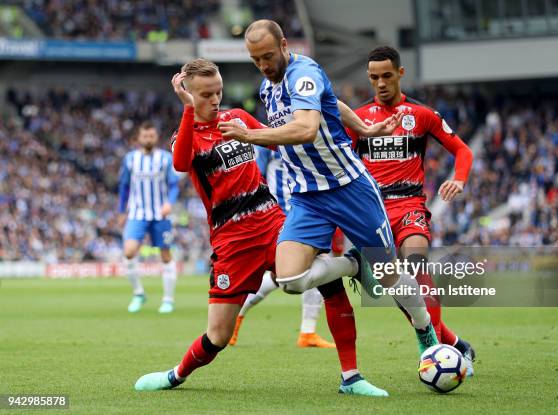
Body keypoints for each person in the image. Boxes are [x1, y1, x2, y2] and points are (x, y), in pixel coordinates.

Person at [134, 58, 389, 397]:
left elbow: (276, 140)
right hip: (232, 241)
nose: (215, 100)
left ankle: (352, 377)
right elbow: (180, 164)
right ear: (190, 95)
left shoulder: (237, 118)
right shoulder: (186, 135)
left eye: (218, 92)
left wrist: (322, 126)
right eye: (206, 95)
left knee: (329, 285)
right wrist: (187, 109)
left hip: (272, 222)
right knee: (218, 336)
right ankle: (176, 376)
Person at [218, 19, 439, 366]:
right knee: (289, 278)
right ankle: (353, 265)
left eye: (268, 55)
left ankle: (426, 332)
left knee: (388, 273)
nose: (263, 64)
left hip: (348, 187)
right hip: (308, 196)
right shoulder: (267, 87)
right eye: (255, 58)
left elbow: (306, 129)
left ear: (285, 45)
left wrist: (248, 136)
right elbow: (332, 101)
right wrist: (364, 127)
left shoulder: (303, 73)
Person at [346, 46, 476, 375]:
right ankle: (453, 344)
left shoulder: (422, 114)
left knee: (416, 263)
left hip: (409, 205)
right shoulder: (358, 119)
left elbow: (462, 151)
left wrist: (458, 180)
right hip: (372, 211)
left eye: (387, 76)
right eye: (374, 77)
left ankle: (436, 352)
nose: (381, 83)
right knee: (399, 288)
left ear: (400, 74)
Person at [229, 146, 338, 349]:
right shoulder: (268, 143)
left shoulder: (308, 136)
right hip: (282, 216)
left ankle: (307, 332)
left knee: (311, 269)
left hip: (311, 212)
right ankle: (306, 332)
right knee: (291, 273)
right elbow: (256, 176)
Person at [118, 122, 179, 314]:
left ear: (156, 137)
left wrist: (170, 202)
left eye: (151, 136)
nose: (148, 139)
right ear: (138, 138)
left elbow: (174, 185)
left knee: (165, 255)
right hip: (137, 213)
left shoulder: (165, 159)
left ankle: (168, 300)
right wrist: (121, 211)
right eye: (145, 136)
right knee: (129, 252)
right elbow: (124, 187)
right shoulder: (130, 159)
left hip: (160, 214)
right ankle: (138, 294)